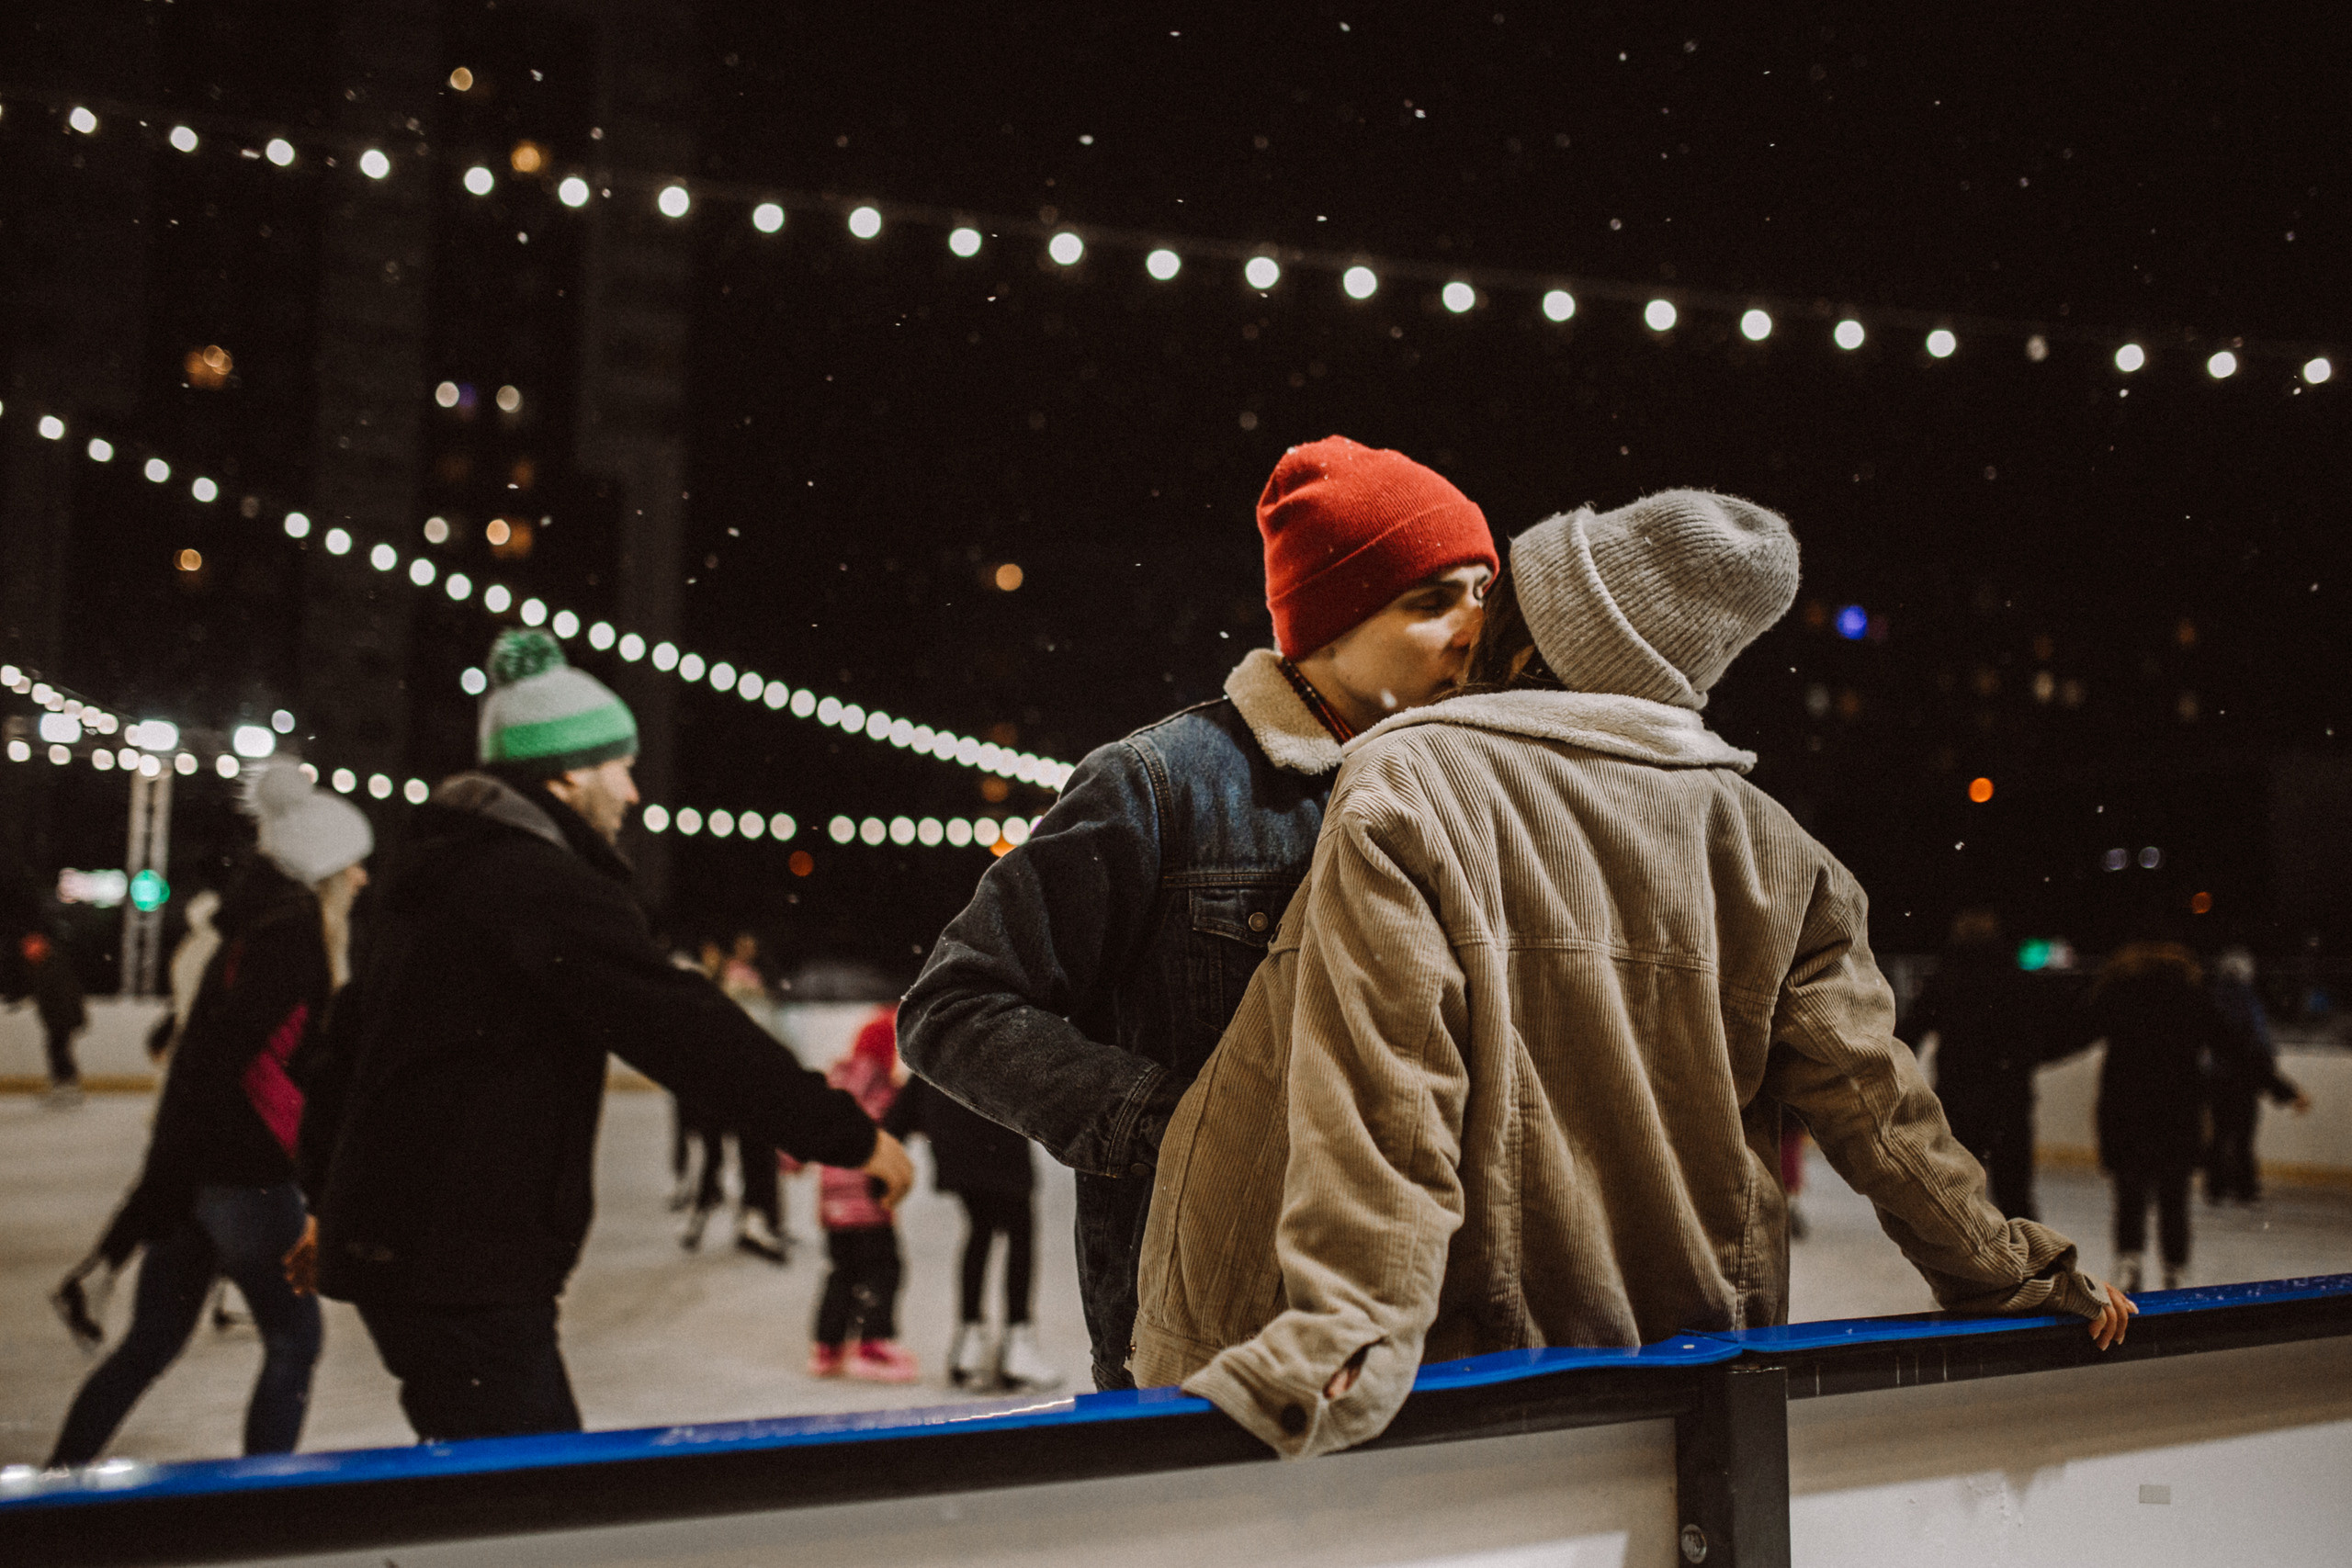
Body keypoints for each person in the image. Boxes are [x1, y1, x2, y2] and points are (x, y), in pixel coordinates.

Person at [1134, 491, 2135, 1459]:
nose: (1475, 619)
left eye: (1503, 597)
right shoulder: (1774, 848)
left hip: (1472, 1379)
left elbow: (1389, 1087)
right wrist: (2007, 1270)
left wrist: (1349, 1326)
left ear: (1537, 644)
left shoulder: (1413, 782)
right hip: (1691, 1373)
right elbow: (1882, 1114)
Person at [901, 435, 1498, 1389]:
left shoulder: (1481, 790)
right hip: (1213, 1335)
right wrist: (1182, 1129)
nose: (1473, 628)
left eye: (1482, 593)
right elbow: (956, 1005)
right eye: (1429, 602)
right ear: (1328, 628)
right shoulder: (1161, 785)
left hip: (1436, 1321)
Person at [290, 628, 913, 1442]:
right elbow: (677, 1020)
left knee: (509, 1497)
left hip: (425, 1248)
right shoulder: (532, 882)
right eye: (620, 766)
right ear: (569, 771)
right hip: (462, 1260)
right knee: (529, 1509)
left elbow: (350, 1046)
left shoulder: (442, 873)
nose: (631, 791)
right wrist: (845, 1132)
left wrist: (329, 1204)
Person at [47, 761, 368, 1467]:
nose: (362, 880)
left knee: (150, 1343)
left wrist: (164, 1187)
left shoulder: (249, 933)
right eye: (353, 866)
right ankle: (259, 1497)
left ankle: (56, 1481)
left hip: (200, 1175)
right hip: (247, 1177)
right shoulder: (294, 938)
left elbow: (206, 1061)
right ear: (323, 869)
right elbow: (247, 1062)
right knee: (295, 1341)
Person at [885, 1036, 1060, 1392]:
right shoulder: (1000, 1025)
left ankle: (970, 1342)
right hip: (996, 1136)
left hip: (956, 1139)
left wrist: (891, 1142)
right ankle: (1017, 1341)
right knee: (1019, 1231)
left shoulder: (943, 1027)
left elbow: (909, 1098)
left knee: (981, 1229)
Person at [2081, 936, 2232, 1291]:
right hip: (2177, 1113)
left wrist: (2014, 1059)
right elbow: (2231, 1043)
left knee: (2129, 1194)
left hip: (2126, 1111)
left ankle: (2129, 1261)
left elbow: (2074, 1033)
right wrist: (2281, 1089)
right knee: (2174, 1197)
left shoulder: (2118, 993)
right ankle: (2176, 1269)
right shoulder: (2190, 995)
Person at [1905, 908, 2062, 1220]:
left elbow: (1912, 1030)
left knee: (1957, 1194)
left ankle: (1962, 1265)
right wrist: (2022, 1063)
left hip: (1957, 1096)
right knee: (2015, 1194)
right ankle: (2028, 1263)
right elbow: (2041, 1036)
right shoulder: (2015, 979)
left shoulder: (1945, 978)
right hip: (2009, 1099)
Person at [809, 1008, 918, 1382]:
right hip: (867, 1200)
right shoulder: (881, 1087)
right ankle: (873, 1342)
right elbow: (894, 1125)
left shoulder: (837, 1078)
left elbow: (812, 1123)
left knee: (842, 1270)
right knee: (884, 1269)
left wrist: (790, 1161)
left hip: (833, 1202)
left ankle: (828, 1347)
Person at [675, 938, 789, 1261]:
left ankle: (758, 1216)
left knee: (754, 1156)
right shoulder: (712, 993)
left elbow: (774, 1038)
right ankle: (713, 1211)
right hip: (724, 1089)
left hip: (746, 1089)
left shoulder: (750, 991)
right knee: (720, 1156)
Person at [2205, 947, 2309, 1204]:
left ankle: (2216, 1186)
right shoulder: (2247, 1002)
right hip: (2242, 1079)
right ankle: (2243, 1187)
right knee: (2242, 1135)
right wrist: (2286, 1091)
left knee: (2219, 1133)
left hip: (2218, 1078)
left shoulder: (2213, 997)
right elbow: (2257, 1049)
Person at [20, 930, 86, 1107]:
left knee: (58, 1051)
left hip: (61, 1019)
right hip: (58, 1019)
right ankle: (65, 1085)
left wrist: (72, 1018)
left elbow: (66, 995)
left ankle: (67, 1086)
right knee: (58, 1051)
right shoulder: (46, 967)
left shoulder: (52, 967)